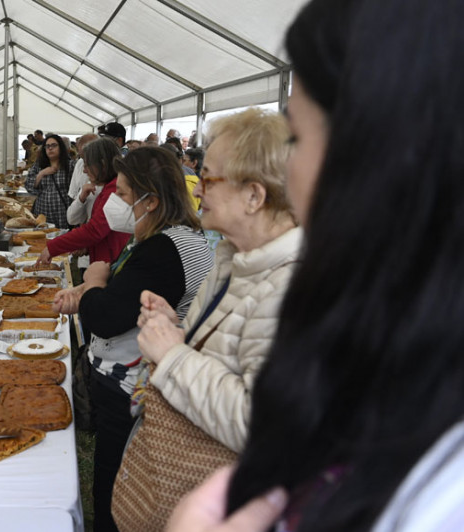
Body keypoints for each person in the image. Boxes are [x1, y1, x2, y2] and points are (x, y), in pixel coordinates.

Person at [173, 0, 464, 531]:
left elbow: (254, 421)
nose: (294, 174)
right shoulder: (393, 346)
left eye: (299, 139)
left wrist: (170, 358)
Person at [112, 108, 302, 531]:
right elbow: (223, 352)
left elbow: (263, 426)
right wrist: (178, 329)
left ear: (254, 196)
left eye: (210, 178)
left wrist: (174, 353)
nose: (197, 188)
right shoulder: (233, 257)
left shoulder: (291, 288)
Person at [53, 147, 214, 532]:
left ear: (152, 200)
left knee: (116, 489)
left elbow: (109, 318)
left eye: (123, 194)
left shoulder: (164, 249)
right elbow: (128, 300)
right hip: (137, 381)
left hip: (133, 389)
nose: (115, 202)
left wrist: (92, 285)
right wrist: (95, 293)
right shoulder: (173, 237)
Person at [39, 138, 131, 264]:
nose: (84, 170)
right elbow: (104, 230)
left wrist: (53, 246)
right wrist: (88, 246)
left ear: (103, 164)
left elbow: (95, 230)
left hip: (110, 264)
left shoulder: (114, 188)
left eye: (87, 165)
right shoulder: (109, 187)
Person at [25, 134, 75, 229]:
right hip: (43, 212)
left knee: (63, 238)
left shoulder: (71, 165)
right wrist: (41, 174)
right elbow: (28, 186)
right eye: (47, 146)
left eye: (54, 145)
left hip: (63, 212)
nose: (50, 148)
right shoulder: (39, 165)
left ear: (61, 147)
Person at [66, 133, 98, 227]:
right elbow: (72, 218)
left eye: (88, 160)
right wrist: (81, 199)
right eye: (82, 157)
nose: (84, 170)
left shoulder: (113, 184)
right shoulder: (80, 163)